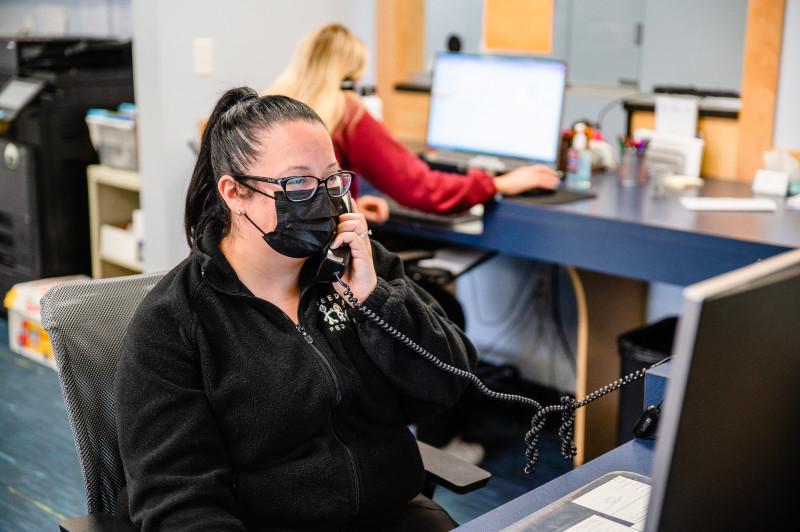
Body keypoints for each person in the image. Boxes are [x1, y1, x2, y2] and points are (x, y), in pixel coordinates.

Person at [114, 88, 478, 531]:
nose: (323, 199)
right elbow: (178, 503)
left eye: (331, 180)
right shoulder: (174, 323)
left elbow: (450, 384)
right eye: (298, 183)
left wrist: (376, 302)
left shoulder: (360, 266)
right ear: (235, 193)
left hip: (393, 515)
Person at [267, 23, 560, 224]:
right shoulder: (346, 112)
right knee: (444, 306)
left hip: (279, 267)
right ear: (348, 75)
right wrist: (497, 183)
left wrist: (345, 211)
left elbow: (292, 203)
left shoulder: (274, 107)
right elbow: (421, 188)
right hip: (325, 270)